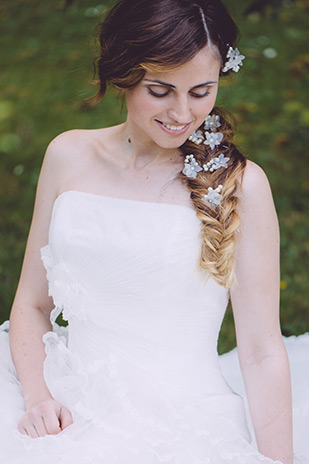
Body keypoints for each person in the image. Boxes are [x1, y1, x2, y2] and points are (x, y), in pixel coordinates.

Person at [0, 0, 308, 463]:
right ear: (122, 73)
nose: (182, 113)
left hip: (183, 425)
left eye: (202, 91)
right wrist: (40, 397)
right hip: (67, 402)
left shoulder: (240, 186)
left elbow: (262, 351)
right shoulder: (67, 155)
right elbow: (30, 303)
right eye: (160, 90)